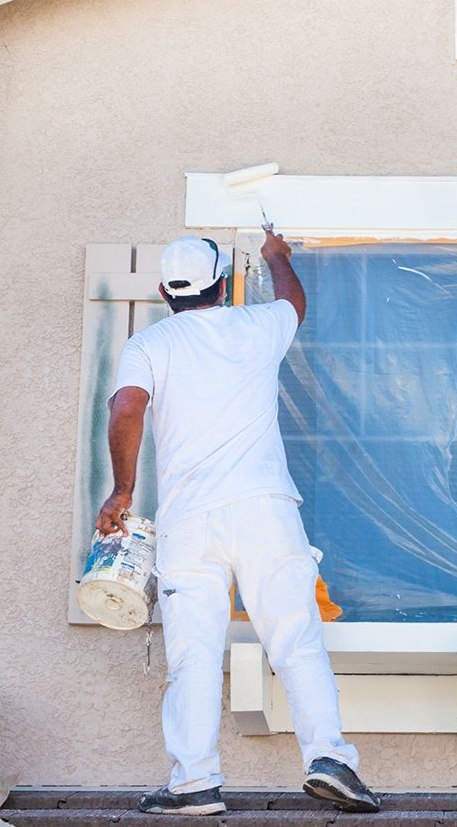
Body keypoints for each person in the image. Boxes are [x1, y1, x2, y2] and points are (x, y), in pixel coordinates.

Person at [95, 231, 380, 816]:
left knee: (193, 655)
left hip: (189, 522)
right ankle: (330, 759)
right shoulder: (256, 327)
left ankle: (194, 783)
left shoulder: (148, 344)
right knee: (295, 639)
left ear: (161, 293)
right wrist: (277, 257)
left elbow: (126, 408)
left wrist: (121, 491)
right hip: (264, 511)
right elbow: (293, 302)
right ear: (222, 286)